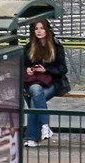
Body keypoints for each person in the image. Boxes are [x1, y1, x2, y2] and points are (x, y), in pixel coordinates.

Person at [23, 18, 70, 147]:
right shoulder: (29, 46)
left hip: (52, 83)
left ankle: (32, 138)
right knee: (36, 90)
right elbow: (23, 65)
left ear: (47, 30)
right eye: (36, 29)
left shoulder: (56, 46)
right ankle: (44, 127)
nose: (39, 31)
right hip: (33, 82)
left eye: (42, 28)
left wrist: (46, 69)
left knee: (35, 101)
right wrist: (27, 69)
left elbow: (63, 69)